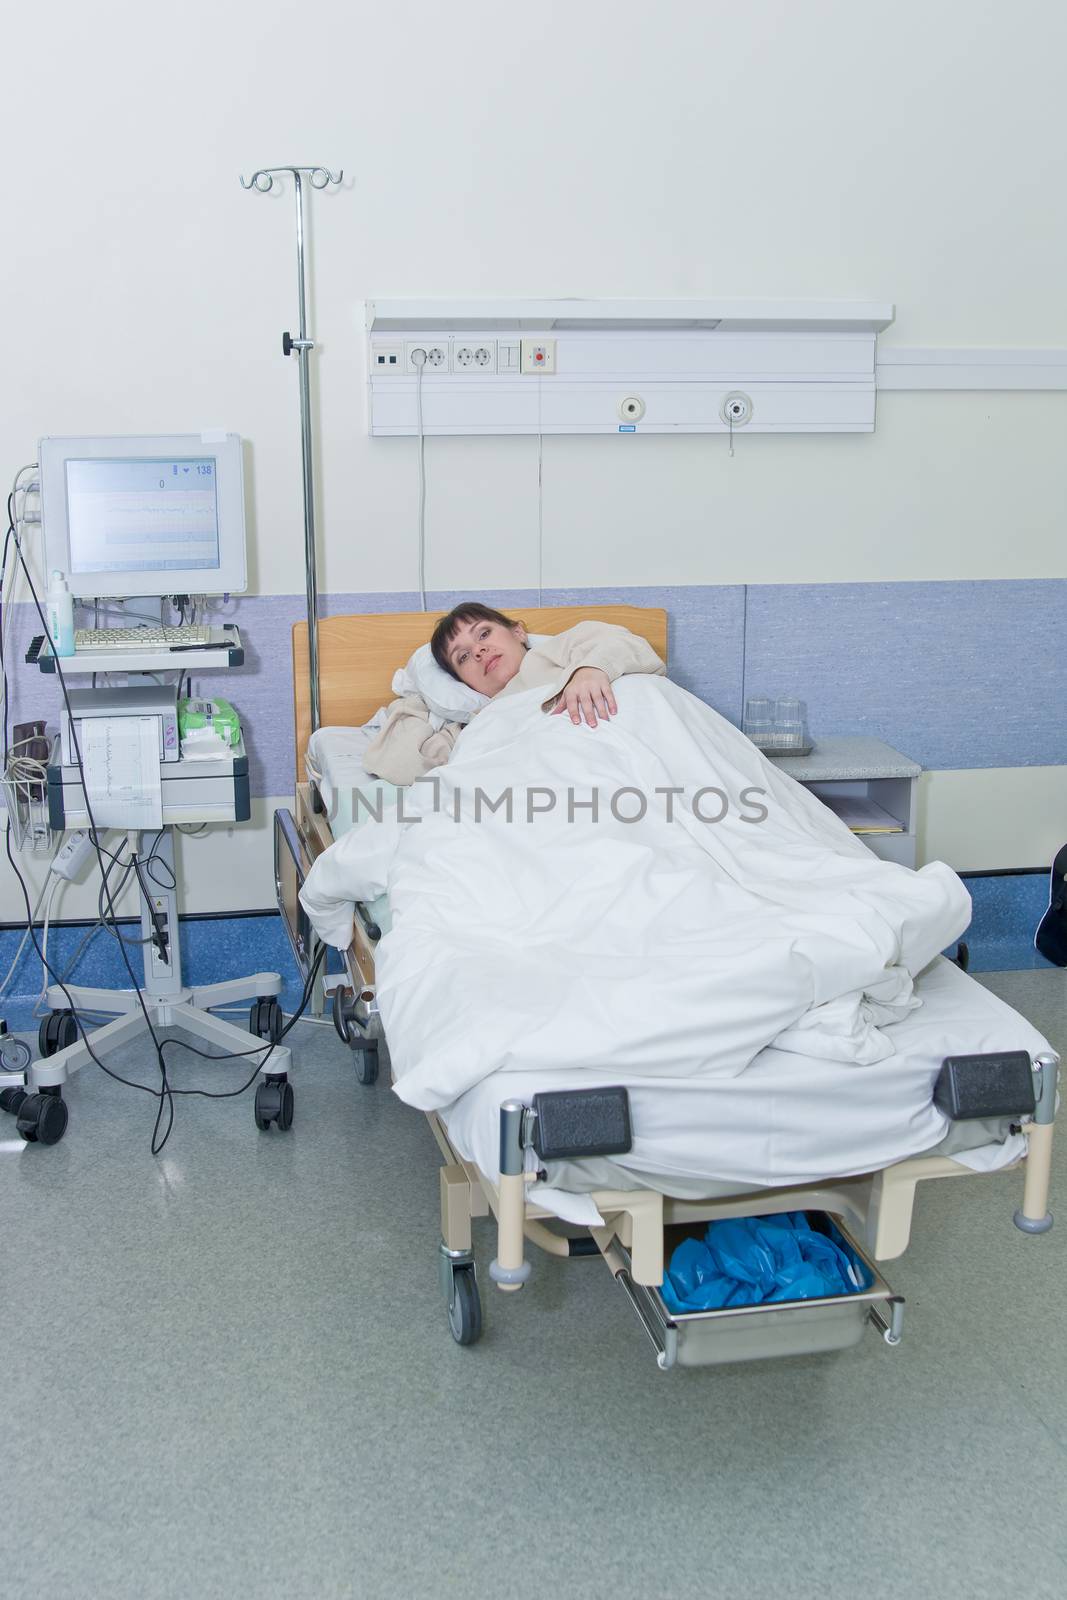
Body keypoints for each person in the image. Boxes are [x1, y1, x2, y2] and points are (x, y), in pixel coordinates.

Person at [363, 602, 666, 784]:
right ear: (463, 684)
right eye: (463, 657)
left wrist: (590, 670)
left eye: (484, 634)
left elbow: (627, 645)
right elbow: (397, 763)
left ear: (518, 632)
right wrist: (420, 696)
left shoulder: (564, 651)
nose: (479, 650)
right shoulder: (476, 724)